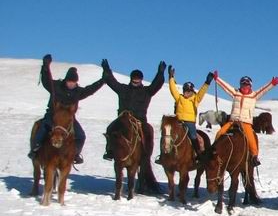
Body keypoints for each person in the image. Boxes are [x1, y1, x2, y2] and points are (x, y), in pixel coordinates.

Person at [101, 59, 166, 193]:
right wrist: (107, 70)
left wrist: (160, 73)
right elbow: (112, 82)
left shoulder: (147, 91)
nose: (135, 82)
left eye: (138, 80)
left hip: (139, 119)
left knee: (148, 130)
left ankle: (145, 154)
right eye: (134, 80)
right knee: (110, 128)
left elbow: (157, 85)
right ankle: (110, 150)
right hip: (123, 117)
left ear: (141, 80)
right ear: (131, 79)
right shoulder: (123, 89)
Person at [29, 54, 105, 164]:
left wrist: (103, 80)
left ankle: (75, 154)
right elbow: (46, 81)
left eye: (73, 82)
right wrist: (45, 66)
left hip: (69, 119)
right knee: (42, 130)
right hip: (53, 115)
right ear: (66, 80)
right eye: (69, 81)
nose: (71, 84)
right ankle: (35, 150)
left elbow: (91, 89)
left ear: (76, 82)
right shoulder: (56, 86)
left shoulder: (78, 91)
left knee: (81, 135)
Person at [214, 72, 278, 167]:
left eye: (247, 85)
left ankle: (254, 157)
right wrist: (217, 79)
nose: (244, 87)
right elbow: (226, 87)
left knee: (251, 139)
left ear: (250, 86)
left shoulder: (254, 95)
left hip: (245, 122)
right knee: (220, 133)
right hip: (233, 121)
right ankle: (214, 152)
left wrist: (272, 83)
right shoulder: (235, 93)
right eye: (243, 84)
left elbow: (263, 90)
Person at [166, 65, 214, 158]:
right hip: (178, 121)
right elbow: (173, 89)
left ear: (192, 91)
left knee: (193, 136)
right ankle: (165, 155)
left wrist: (207, 83)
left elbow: (201, 93)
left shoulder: (195, 99)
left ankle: (198, 153)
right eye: (185, 90)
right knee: (167, 134)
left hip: (189, 122)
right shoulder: (179, 98)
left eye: (188, 91)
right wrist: (171, 77)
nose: (186, 93)